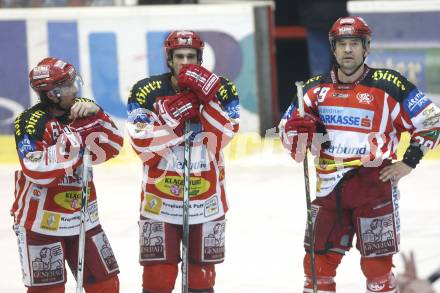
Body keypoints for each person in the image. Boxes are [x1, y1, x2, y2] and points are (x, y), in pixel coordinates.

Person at [279, 16, 440, 293]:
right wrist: (297, 133)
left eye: (355, 43)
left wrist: (409, 162)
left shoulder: (389, 85)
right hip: (328, 190)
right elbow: (287, 137)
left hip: (373, 188)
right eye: (342, 44)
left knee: (378, 270)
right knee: (316, 269)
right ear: (333, 48)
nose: (348, 50)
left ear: (366, 48)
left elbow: (432, 120)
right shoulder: (312, 90)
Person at [126, 30, 239, 293]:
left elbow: (224, 136)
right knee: (157, 279)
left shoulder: (222, 88)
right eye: (179, 56)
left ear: (200, 59)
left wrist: (206, 100)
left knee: (201, 281)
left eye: (191, 56)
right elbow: (140, 143)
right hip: (159, 202)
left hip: (208, 202)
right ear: (169, 59)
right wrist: (174, 115)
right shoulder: (145, 90)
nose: (185, 62)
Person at [12, 57, 123, 293]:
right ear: (53, 93)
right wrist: (74, 137)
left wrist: (99, 117)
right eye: (71, 85)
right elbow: (37, 170)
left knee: (107, 286)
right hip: (41, 223)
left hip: (84, 218)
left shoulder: (83, 109)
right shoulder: (30, 122)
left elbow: (113, 147)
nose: (76, 89)